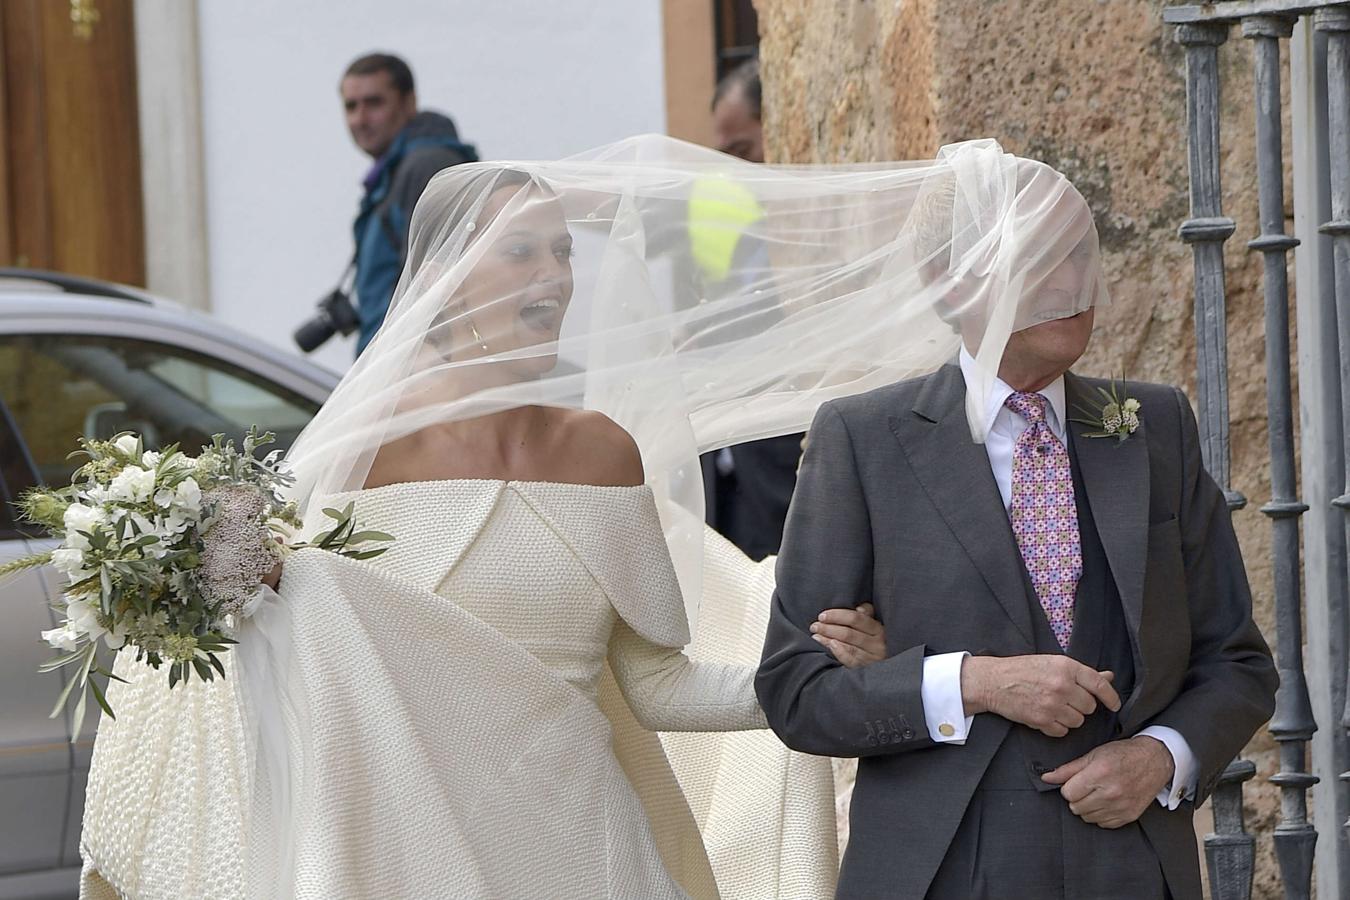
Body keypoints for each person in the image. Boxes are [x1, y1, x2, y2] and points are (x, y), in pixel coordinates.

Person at [76, 150, 895, 900]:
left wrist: (815, 671)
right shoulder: (367, 449)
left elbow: (657, 685)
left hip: (589, 851)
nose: (557, 274)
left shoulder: (604, 453)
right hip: (419, 853)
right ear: (451, 276)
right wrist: (202, 553)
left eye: (564, 250)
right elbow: (284, 658)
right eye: (523, 251)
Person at [755, 148, 1278, 899]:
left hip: (1131, 868)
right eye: (1036, 256)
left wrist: (1162, 758)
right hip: (940, 869)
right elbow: (796, 692)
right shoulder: (864, 441)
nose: (1071, 282)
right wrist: (969, 682)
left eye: (1078, 252)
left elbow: (1238, 660)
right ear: (948, 281)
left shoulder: (1153, 425)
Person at [698, 57, 804, 561]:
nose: (737, 172)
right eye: (726, 156)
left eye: (744, 150)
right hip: (738, 488)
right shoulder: (744, 237)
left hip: (790, 485)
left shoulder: (816, 236)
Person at [341, 53, 478, 355]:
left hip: (407, 367)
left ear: (409, 103)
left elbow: (427, 290)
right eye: (351, 106)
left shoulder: (427, 166)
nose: (360, 119)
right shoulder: (396, 171)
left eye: (374, 103)